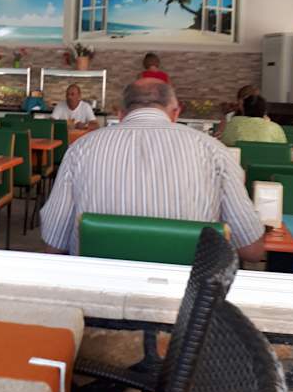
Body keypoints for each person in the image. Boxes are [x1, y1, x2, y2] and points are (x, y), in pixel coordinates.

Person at [41, 78, 266, 264]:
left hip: (96, 295)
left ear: (121, 114)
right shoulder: (214, 151)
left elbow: (53, 243)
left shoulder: (80, 149)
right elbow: (252, 250)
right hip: (187, 299)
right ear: (175, 113)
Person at [220, 93, 286, 146]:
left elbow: (225, 143)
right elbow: (283, 149)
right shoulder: (275, 128)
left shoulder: (232, 123)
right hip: (267, 158)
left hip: (238, 158)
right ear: (264, 111)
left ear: (243, 109)